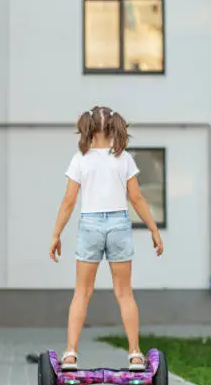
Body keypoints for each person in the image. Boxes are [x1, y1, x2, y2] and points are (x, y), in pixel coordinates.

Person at [49, 106, 163, 371]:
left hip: (89, 224)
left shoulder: (80, 159)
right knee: (124, 293)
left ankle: (70, 355)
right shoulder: (123, 159)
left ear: (88, 128)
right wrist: (154, 230)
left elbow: (69, 201)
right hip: (119, 225)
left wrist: (56, 234)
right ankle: (135, 354)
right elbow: (136, 198)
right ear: (113, 128)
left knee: (82, 292)